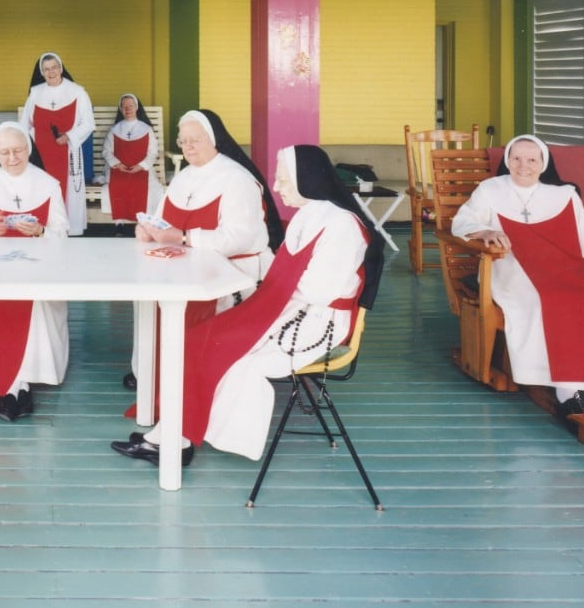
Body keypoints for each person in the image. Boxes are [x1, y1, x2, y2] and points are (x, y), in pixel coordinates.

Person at [112, 144, 384, 465]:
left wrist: (268, 298)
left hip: (317, 322)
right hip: (288, 309)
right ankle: (172, 434)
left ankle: (173, 440)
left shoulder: (342, 226)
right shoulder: (307, 216)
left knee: (219, 349)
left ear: (306, 179)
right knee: (196, 337)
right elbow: (286, 278)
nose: (278, 187)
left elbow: (321, 291)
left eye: (284, 180)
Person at [450, 133, 584, 421]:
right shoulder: (490, 189)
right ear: (507, 161)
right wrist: (486, 231)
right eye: (516, 158)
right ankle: (567, 393)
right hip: (514, 268)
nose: (523, 166)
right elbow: (463, 221)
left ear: (543, 163)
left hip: (568, 267)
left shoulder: (564, 195)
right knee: (556, 300)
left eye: (532, 160)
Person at [121, 108, 284, 392]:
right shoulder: (184, 177)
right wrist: (148, 231)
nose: (189, 146)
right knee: (148, 298)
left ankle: (185, 384)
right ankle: (154, 372)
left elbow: (239, 238)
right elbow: (162, 221)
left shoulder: (237, 178)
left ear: (213, 138)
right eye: (183, 141)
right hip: (184, 270)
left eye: (196, 139)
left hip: (230, 276)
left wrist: (183, 237)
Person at [0, 122, 70, 421]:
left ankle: (20, 383)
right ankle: (12, 386)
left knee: (31, 301)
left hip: (39, 267)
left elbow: (61, 234)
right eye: (4, 152)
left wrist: (41, 230)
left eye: (18, 150)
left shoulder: (48, 184)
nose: (12, 157)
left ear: (29, 149)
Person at [19, 51, 94, 236]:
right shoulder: (36, 93)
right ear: (42, 73)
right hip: (41, 153)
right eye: (46, 69)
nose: (51, 72)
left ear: (60, 68)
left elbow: (89, 123)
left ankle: (65, 231)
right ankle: (42, 229)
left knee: (65, 192)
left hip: (67, 152)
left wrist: (68, 136)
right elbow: (24, 123)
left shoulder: (77, 92)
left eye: (54, 67)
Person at [101, 93, 164, 226]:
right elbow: (107, 151)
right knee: (117, 186)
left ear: (136, 108)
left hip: (142, 170)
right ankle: (119, 224)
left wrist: (141, 166)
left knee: (154, 190)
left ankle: (146, 225)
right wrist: (117, 164)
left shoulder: (146, 129)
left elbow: (153, 152)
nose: (128, 109)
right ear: (121, 109)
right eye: (124, 107)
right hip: (119, 170)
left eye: (131, 106)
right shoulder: (114, 130)